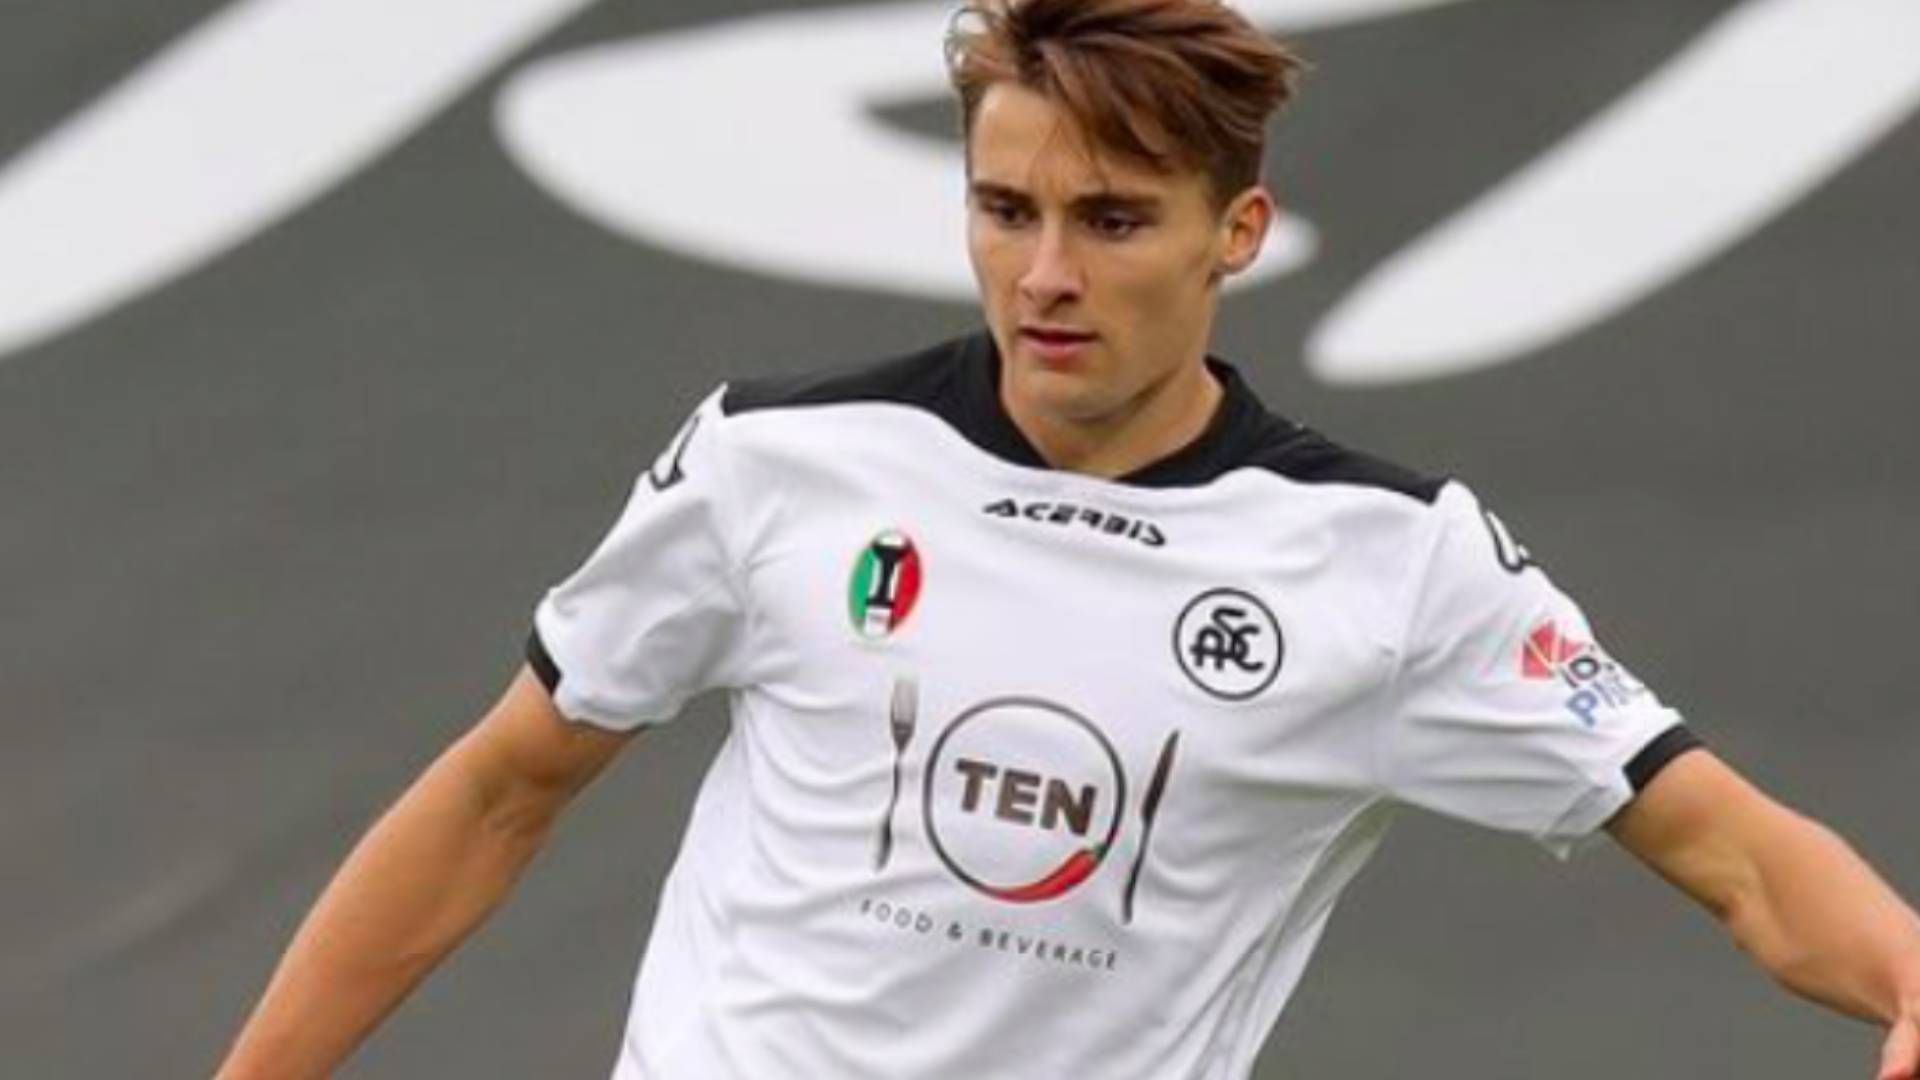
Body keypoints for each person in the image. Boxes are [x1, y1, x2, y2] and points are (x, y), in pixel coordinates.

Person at [216, 1, 1920, 1076]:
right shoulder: (775, 463)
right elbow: (500, 790)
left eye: (1112, 221)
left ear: (1235, 231)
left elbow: (1741, 860)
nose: (1045, 274)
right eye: (1004, 209)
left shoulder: (1391, 565)